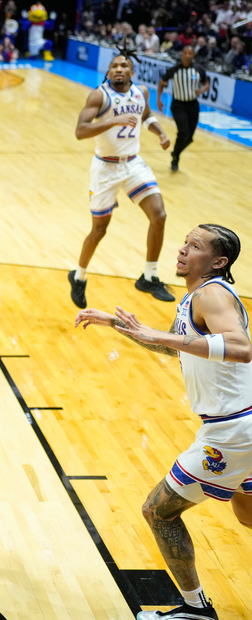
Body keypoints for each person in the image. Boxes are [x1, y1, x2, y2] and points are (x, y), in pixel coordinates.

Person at [75, 224, 251, 620]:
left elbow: (241, 348)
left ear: (219, 262)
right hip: (244, 425)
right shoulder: (195, 298)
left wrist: (161, 335)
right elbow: (171, 345)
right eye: (185, 242)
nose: (183, 250)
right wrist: (115, 323)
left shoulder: (211, 293)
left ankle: (195, 611)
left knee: (159, 512)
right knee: (247, 516)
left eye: (196, 246)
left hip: (234, 431)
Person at [68, 52, 174, 310]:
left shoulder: (141, 92)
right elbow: (80, 131)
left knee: (158, 216)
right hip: (105, 168)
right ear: (108, 71)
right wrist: (112, 120)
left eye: (124, 65)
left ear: (132, 72)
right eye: (114, 65)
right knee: (100, 230)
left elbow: (146, 116)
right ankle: (79, 276)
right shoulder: (99, 96)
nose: (119, 69)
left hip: (133, 164)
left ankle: (149, 276)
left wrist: (159, 132)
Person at [157, 45, 210, 173]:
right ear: (182, 55)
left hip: (193, 105)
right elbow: (162, 83)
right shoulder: (174, 70)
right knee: (184, 132)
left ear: (193, 55)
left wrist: (202, 90)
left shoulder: (198, 70)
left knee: (190, 138)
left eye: (190, 53)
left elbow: (206, 83)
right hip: (178, 105)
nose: (187, 56)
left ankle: (175, 152)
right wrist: (159, 99)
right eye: (185, 53)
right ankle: (176, 158)